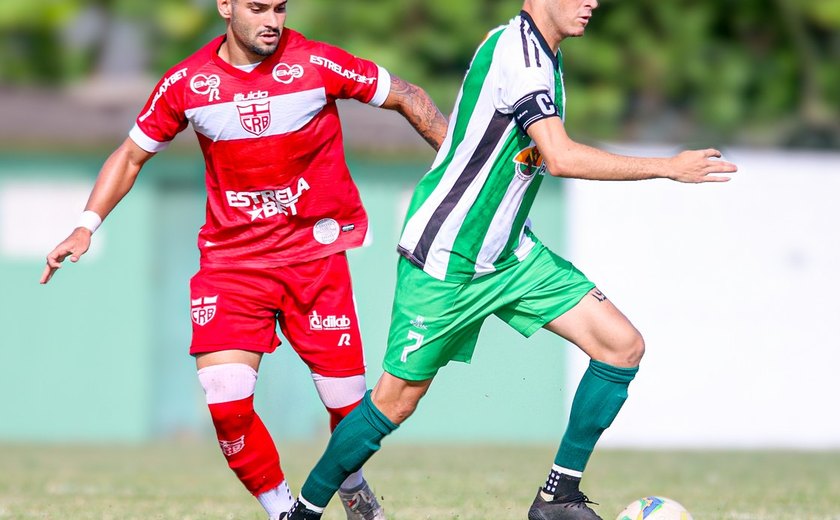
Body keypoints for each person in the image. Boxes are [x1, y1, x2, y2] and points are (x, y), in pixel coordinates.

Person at [283, 0, 738, 519]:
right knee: (394, 402)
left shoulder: (547, 54)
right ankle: (304, 511)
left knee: (620, 346)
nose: (592, 3)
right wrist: (668, 167)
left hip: (511, 255)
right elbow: (560, 157)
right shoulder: (518, 53)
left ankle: (557, 497)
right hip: (447, 258)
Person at [39, 1, 447, 519]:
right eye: (258, 7)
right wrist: (86, 224)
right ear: (225, 7)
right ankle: (282, 512)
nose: (272, 20)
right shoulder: (188, 82)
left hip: (313, 260)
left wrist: (466, 172)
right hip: (232, 264)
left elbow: (408, 95)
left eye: (280, 7)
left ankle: (353, 484)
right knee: (227, 405)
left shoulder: (318, 63)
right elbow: (131, 154)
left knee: (350, 413)